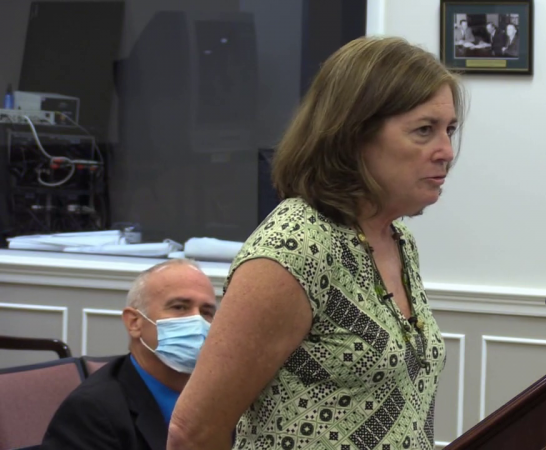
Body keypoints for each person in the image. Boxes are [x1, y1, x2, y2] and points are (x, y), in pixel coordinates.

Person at [167, 36, 465, 450]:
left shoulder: (397, 240)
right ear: (354, 135)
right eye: (424, 131)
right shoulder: (295, 247)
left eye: (449, 130)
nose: (446, 151)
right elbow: (192, 432)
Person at [41, 259, 217, 450]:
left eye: (206, 312)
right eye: (179, 307)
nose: (196, 321)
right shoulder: (91, 411)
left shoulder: (223, 396)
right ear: (134, 322)